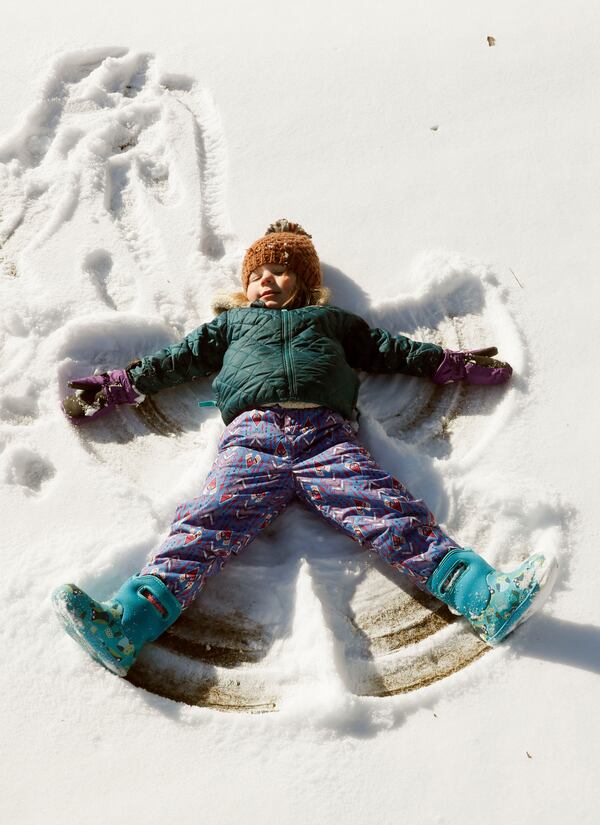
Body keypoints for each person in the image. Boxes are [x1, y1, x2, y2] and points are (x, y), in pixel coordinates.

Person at [53, 220, 557, 678]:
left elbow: (390, 350)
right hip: (253, 439)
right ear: (244, 286)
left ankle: (482, 596)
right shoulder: (231, 326)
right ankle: (127, 625)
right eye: (258, 274)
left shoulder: (332, 323)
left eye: (280, 271)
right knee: (206, 521)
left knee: (389, 513)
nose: (267, 280)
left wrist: (450, 364)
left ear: (306, 283)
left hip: (327, 439)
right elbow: (175, 361)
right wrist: (118, 386)